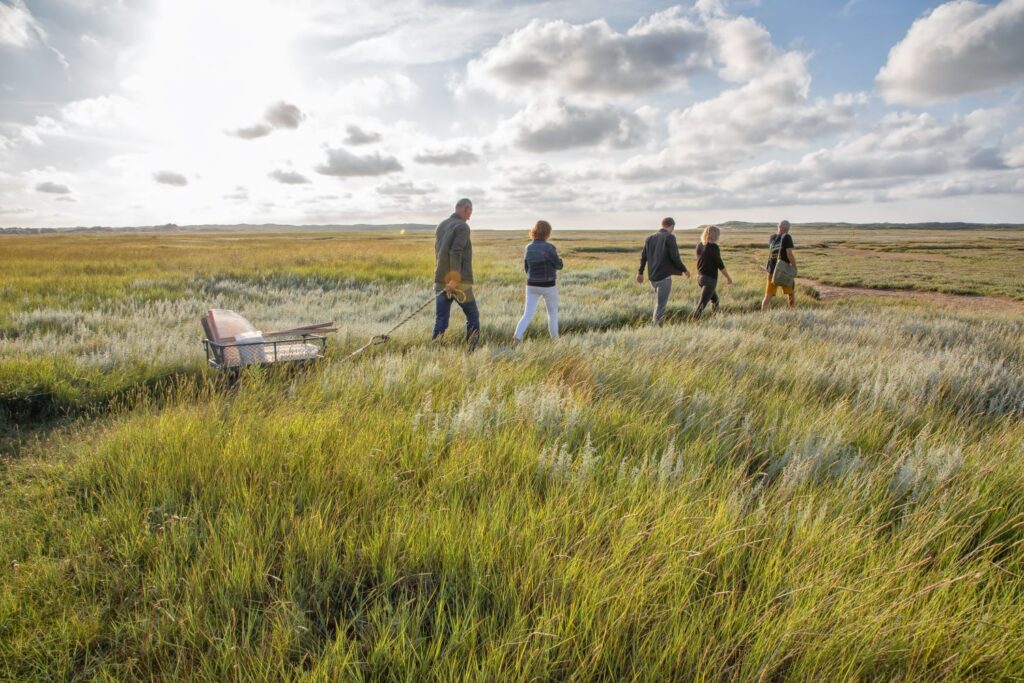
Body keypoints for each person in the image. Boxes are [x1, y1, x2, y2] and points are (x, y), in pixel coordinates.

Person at [433, 198, 480, 346]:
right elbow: (455, 252)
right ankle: (471, 349)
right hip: (459, 283)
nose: (470, 216)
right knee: (473, 316)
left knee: (441, 318)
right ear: (465, 209)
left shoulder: (441, 225)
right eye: (470, 212)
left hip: (440, 280)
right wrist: (454, 279)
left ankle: (435, 348)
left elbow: (439, 252)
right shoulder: (463, 227)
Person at [513, 220, 563, 344]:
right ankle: (555, 342)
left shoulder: (528, 247)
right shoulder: (549, 247)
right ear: (547, 233)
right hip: (548, 286)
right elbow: (558, 265)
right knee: (552, 314)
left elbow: (526, 268)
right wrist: (560, 260)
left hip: (531, 285)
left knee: (527, 315)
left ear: (534, 231)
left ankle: (516, 339)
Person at [636, 217, 689, 326]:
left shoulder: (649, 238)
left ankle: (655, 324)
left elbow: (643, 257)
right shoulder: (670, 237)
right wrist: (684, 270)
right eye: (673, 228)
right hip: (664, 278)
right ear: (672, 226)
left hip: (653, 277)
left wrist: (640, 273)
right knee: (661, 305)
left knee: (659, 303)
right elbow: (675, 257)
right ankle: (656, 327)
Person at [693, 225, 732, 318]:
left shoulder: (700, 245)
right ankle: (694, 321)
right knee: (701, 305)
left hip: (700, 278)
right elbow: (720, 264)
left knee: (715, 300)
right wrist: (728, 277)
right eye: (718, 235)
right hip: (709, 279)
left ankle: (715, 318)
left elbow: (701, 260)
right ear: (715, 235)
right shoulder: (714, 247)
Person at [761, 219, 797, 311]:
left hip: (771, 270)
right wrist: (794, 267)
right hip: (783, 270)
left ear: (778, 226)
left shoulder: (772, 237)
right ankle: (792, 313)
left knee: (768, 295)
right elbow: (789, 254)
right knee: (791, 294)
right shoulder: (787, 237)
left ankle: (762, 314)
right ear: (788, 228)